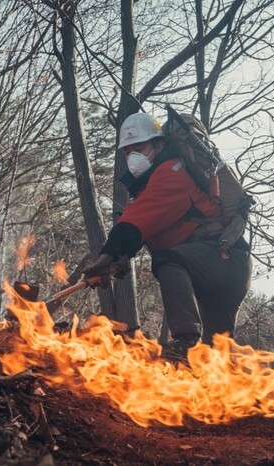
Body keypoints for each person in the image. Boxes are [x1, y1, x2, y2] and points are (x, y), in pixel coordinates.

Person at [83, 112, 252, 360]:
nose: (133, 157)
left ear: (159, 144)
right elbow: (140, 224)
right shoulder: (143, 188)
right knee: (215, 357)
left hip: (222, 259)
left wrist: (107, 255)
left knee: (166, 260)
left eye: (139, 147)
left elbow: (135, 222)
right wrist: (117, 261)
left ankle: (185, 339)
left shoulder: (171, 172)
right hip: (216, 268)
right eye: (127, 152)